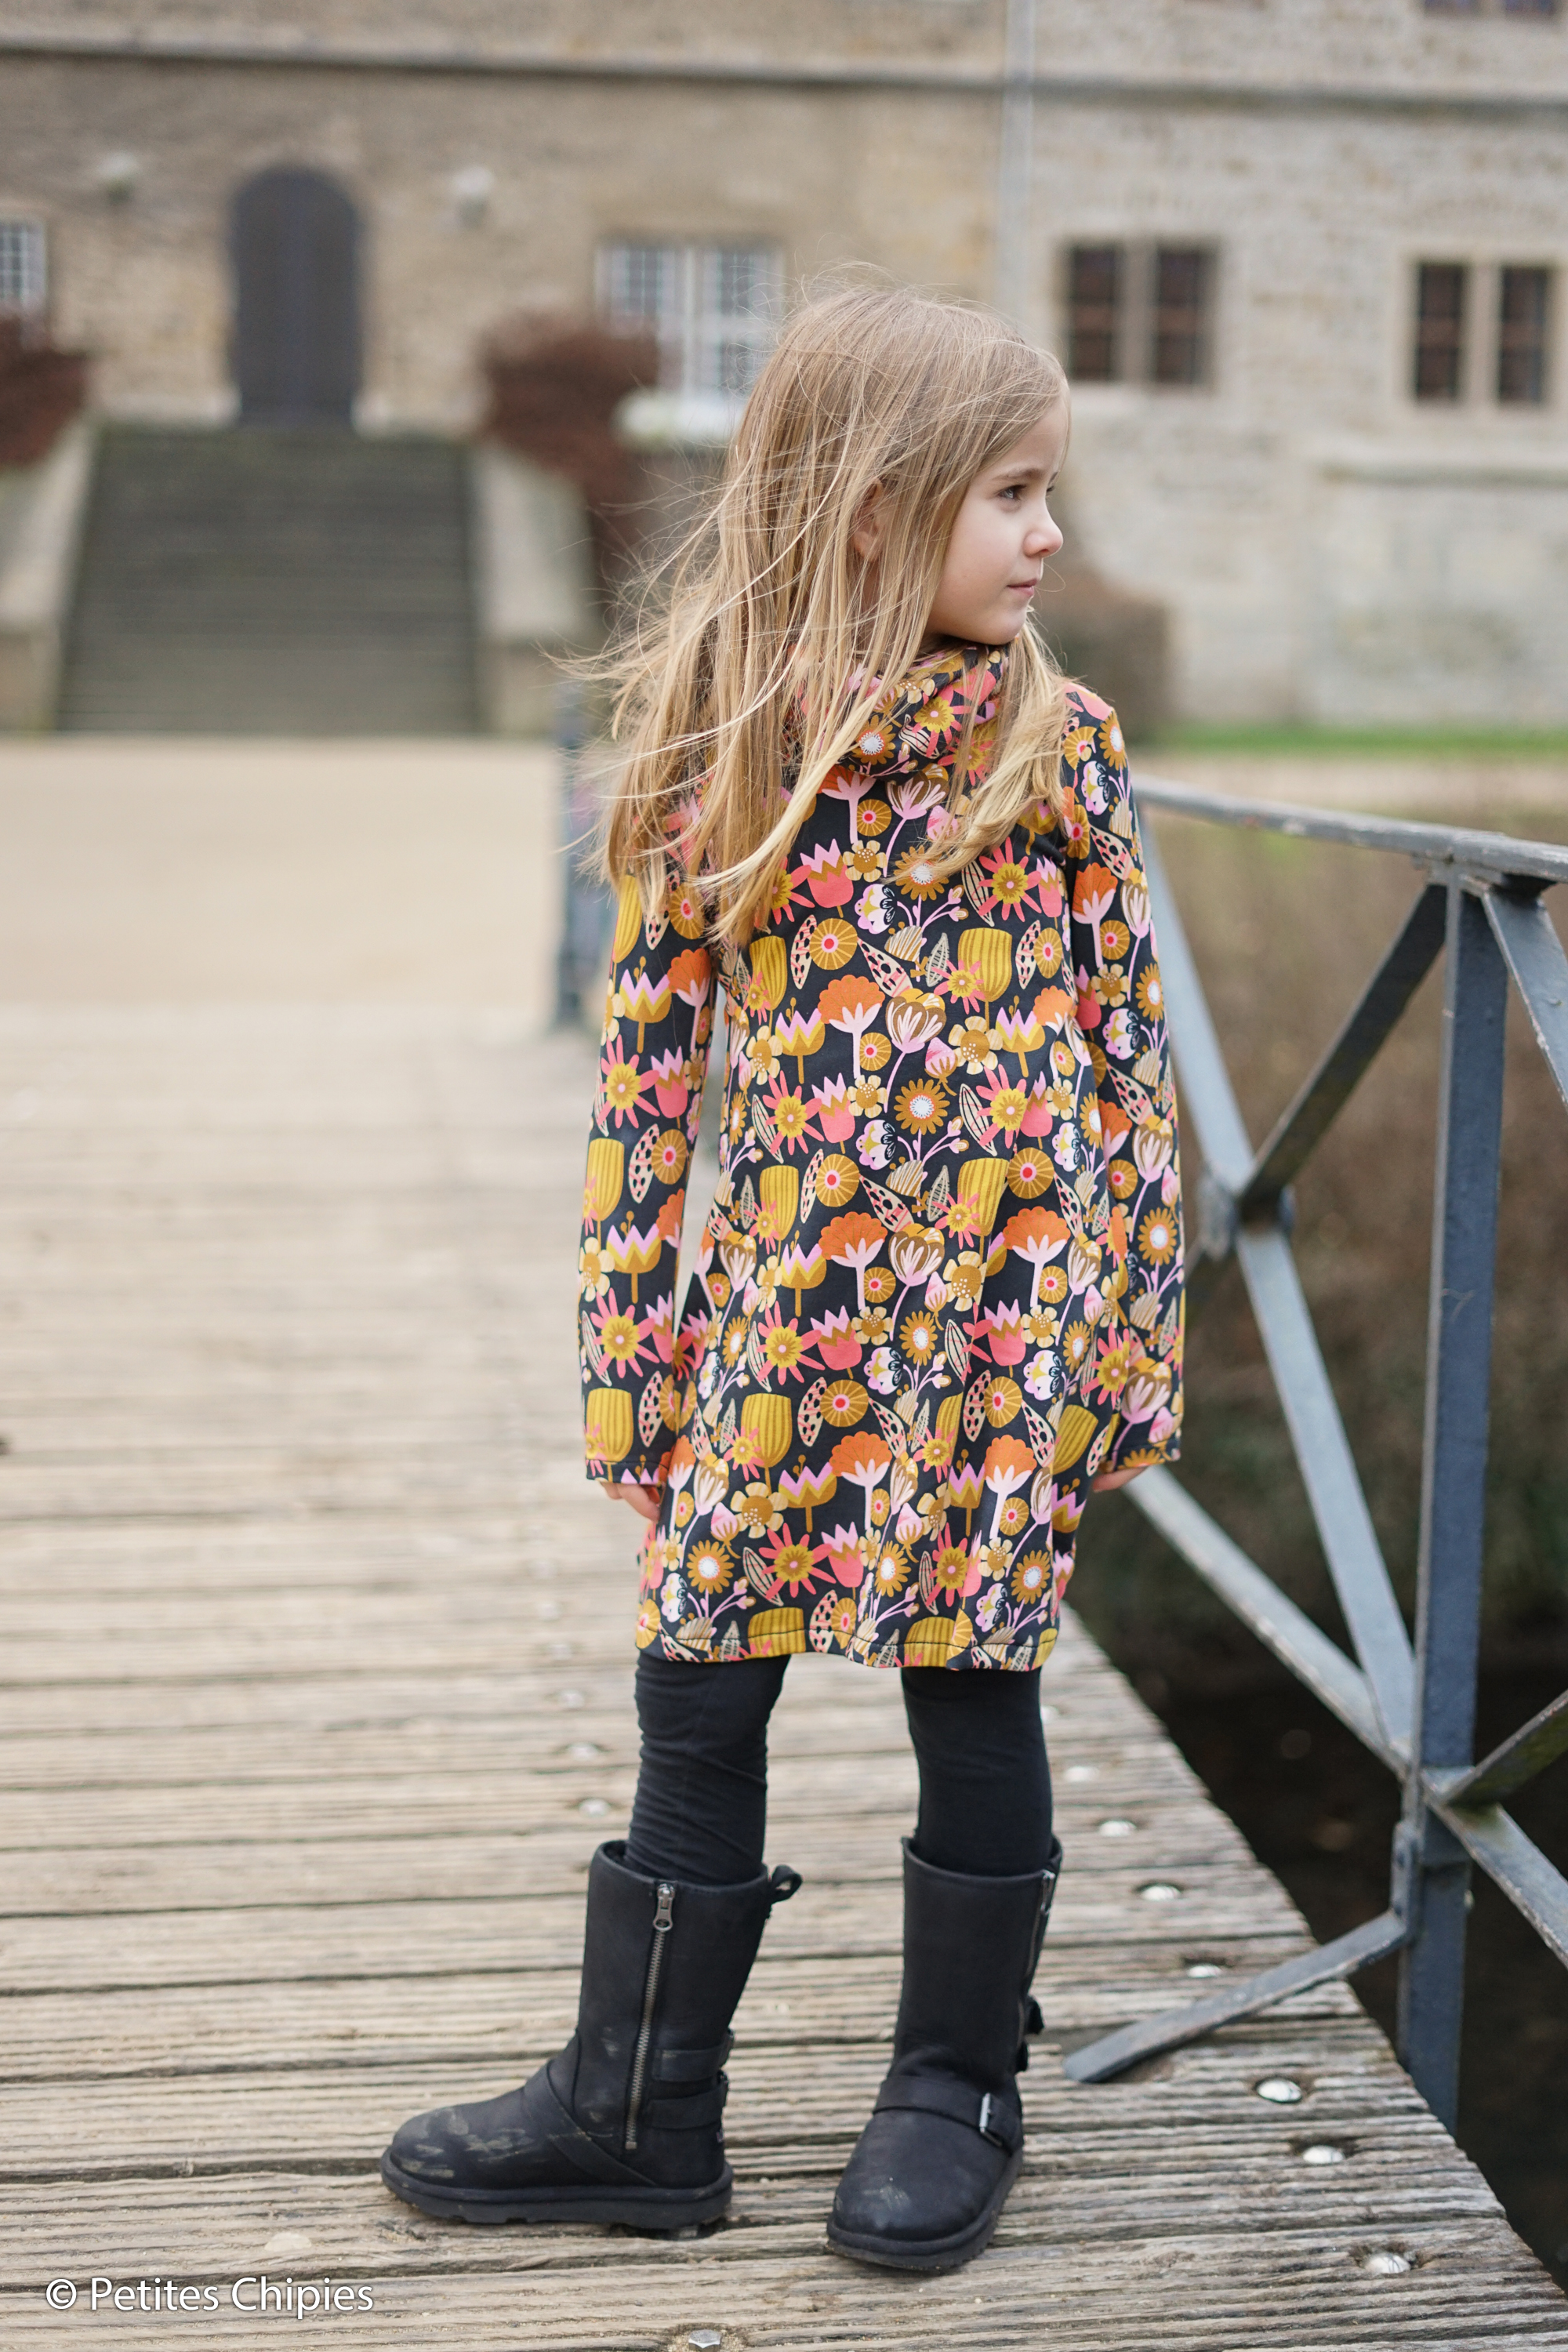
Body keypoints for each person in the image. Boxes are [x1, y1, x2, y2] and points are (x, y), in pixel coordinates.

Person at [382, 284, 1184, 2274]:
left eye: (1047, 492)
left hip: (1005, 1336)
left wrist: (1132, 1348)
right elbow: (647, 1089)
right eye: (1011, 493)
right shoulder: (715, 750)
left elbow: (1129, 1065)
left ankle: (951, 2084)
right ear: (873, 507)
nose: (1048, 534)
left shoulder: (1057, 749)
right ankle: (638, 2109)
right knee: (696, 1682)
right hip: (776, 1328)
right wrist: (627, 1367)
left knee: (972, 1687)